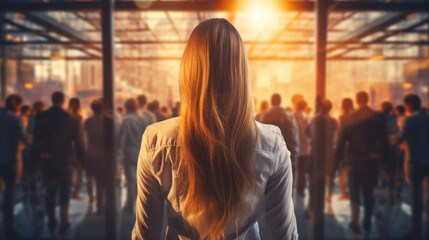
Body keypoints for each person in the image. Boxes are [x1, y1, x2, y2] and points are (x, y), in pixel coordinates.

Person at [132, 19, 298, 240]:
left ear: (188, 71)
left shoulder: (156, 140)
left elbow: (145, 235)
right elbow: (284, 236)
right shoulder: (271, 143)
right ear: (240, 73)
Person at [336, 91, 389, 234]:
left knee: (354, 191)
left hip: (353, 160)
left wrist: (337, 161)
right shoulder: (379, 117)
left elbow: (341, 142)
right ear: (367, 99)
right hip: (372, 161)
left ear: (357, 100)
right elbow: (384, 142)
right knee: (369, 191)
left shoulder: (348, 118)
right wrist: (385, 163)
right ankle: (367, 218)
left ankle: (355, 220)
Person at [32, 91, 85, 236]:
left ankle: (51, 219)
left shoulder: (42, 117)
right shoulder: (72, 119)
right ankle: (64, 221)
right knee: (65, 191)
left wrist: (35, 161)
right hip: (66, 160)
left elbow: (36, 141)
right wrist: (82, 160)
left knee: (49, 192)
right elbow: (79, 142)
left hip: (48, 160)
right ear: (62, 101)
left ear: (51, 100)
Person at [305, 99, 337, 239]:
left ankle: (312, 206)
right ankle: (317, 205)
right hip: (328, 156)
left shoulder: (315, 119)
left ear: (319, 107)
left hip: (315, 156)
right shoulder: (333, 121)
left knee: (313, 183)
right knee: (323, 181)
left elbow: (308, 133)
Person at [398, 94, 429, 239]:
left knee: (416, 197)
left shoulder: (409, 120)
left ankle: (415, 229)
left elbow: (400, 138)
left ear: (409, 105)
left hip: (414, 162)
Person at [118, 98, 150, 214]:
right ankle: (142, 205)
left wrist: (119, 154)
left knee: (131, 180)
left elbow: (122, 138)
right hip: (143, 152)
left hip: (129, 153)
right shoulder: (144, 119)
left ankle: (130, 205)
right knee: (142, 181)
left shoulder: (126, 119)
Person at [84, 99, 114, 216]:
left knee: (98, 181)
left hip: (93, 153)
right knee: (107, 182)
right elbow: (112, 140)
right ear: (103, 108)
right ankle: (108, 208)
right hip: (106, 154)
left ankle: (100, 207)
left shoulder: (88, 121)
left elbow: (86, 137)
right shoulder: (109, 120)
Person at [0, 94, 24, 239]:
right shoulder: (16, 119)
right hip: (10, 161)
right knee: (9, 196)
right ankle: (9, 228)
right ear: (16, 105)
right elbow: (22, 137)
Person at [260, 93, 299, 176]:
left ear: (271, 102)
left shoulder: (265, 115)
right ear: (280, 101)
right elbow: (293, 139)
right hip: (287, 157)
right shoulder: (289, 116)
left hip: (268, 159)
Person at [380, 101, 400, 205]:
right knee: (392, 174)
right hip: (392, 149)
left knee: (383, 173)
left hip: (382, 150)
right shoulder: (394, 119)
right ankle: (391, 196)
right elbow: (397, 134)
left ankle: (383, 196)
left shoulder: (379, 119)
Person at [67, 98, 85, 201]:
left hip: (68, 149)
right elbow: (80, 136)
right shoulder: (78, 118)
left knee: (70, 172)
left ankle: (71, 192)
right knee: (78, 172)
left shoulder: (66, 117)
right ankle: (75, 193)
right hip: (77, 149)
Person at [336, 98, 354, 200]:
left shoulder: (342, 118)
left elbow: (340, 136)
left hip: (344, 149)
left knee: (342, 171)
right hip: (353, 150)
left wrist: (337, 153)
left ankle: (344, 193)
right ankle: (350, 192)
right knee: (350, 172)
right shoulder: (355, 117)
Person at [295, 99, 310, 197]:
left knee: (291, 169)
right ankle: (301, 190)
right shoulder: (306, 117)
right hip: (304, 148)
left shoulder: (292, 116)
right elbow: (308, 133)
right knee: (302, 170)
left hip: (293, 147)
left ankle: (291, 189)